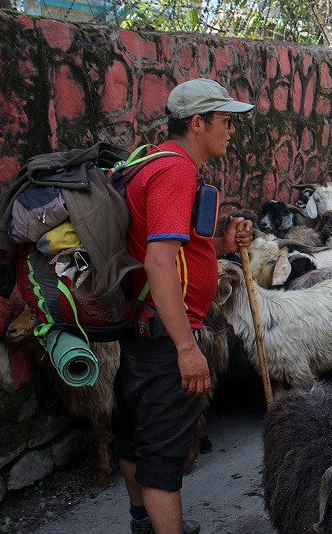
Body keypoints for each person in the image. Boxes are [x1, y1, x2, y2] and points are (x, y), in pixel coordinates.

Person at [116, 78, 254, 534]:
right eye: (225, 122)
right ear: (198, 123)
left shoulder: (152, 162)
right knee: (162, 454)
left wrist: (219, 244)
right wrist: (186, 347)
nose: (230, 131)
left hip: (142, 328)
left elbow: (170, 248)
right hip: (164, 336)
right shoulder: (175, 172)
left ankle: (144, 523)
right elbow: (158, 261)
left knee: (136, 439)